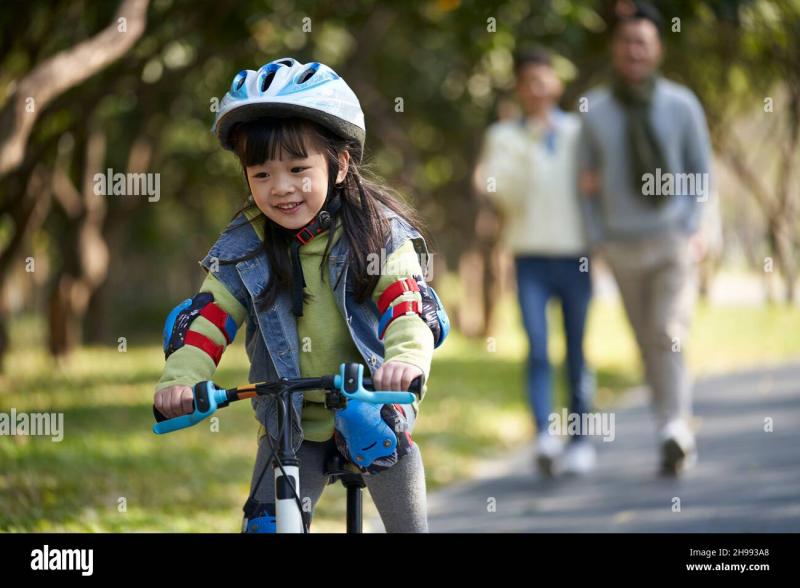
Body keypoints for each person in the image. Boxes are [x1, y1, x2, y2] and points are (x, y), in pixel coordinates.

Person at [153, 57, 449, 531]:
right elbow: (209, 318)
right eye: (262, 174)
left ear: (340, 164)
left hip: (372, 398)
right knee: (266, 524)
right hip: (292, 419)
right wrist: (180, 381)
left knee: (370, 426)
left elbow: (405, 306)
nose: (282, 189)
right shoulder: (245, 243)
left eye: (297, 168)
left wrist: (406, 361)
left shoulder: (377, 232)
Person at [577, 2, 712, 476]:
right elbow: (586, 182)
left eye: (643, 43)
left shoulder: (682, 104)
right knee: (645, 342)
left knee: (668, 333)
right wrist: (596, 241)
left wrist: (697, 227)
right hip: (621, 244)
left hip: (673, 237)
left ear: (657, 49)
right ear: (616, 49)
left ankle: (675, 425)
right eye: (627, 42)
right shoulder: (595, 109)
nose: (634, 50)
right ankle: (668, 426)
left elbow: (701, 171)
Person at [476, 48, 595, 477]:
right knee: (539, 349)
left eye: (544, 78)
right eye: (529, 81)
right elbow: (503, 195)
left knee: (578, 350)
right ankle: (545, 435)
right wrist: (529, 143)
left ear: (557, 84)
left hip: (576, 256)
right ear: (520, 89)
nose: (538, 87)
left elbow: (596, 191)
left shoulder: (581, 133)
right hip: (528, 258)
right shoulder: (503, 138)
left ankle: (580, 441)